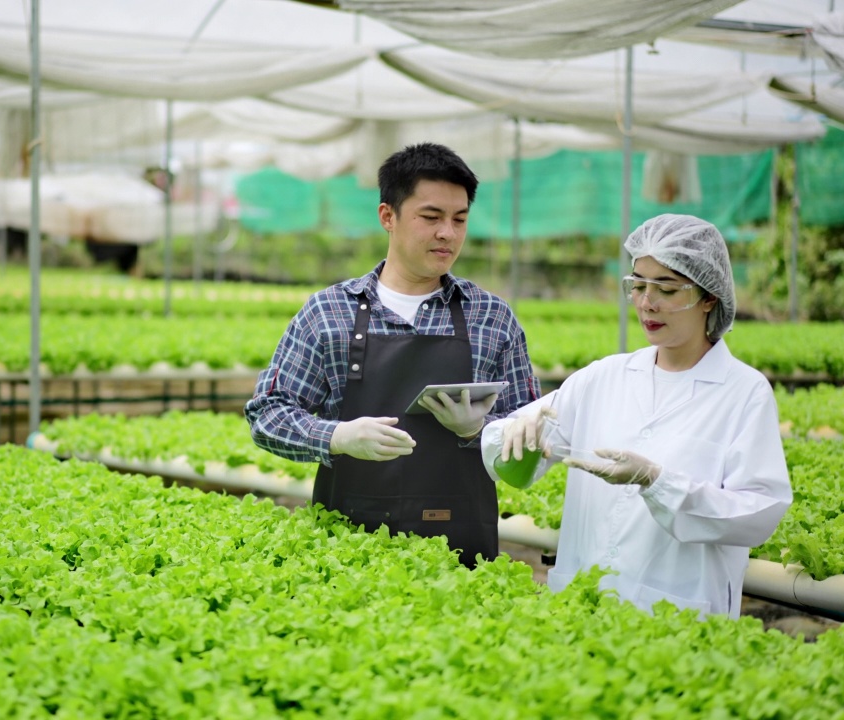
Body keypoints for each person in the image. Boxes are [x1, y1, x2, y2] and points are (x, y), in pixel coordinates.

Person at [244, 142, 539, 568]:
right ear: (388, 217)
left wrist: (481, 429)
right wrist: (336, 437)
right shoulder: (329, 312)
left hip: (459, 551)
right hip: (346, 547)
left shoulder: (492, 318)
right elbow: (267, 415)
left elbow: (532, 433)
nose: (447, 233)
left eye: (459, 220)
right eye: (431, 217)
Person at [482, 213, 791, 617]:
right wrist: (514, 434)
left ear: (709, 297)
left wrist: (658, 482)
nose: (647, 302)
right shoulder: (603, 377)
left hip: (679, 618)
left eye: (665, 288)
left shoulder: (743, 393)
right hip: (581, 608)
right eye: (639, 285)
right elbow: (508, 456)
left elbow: (758, 514)